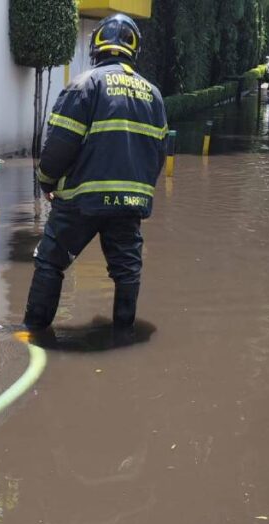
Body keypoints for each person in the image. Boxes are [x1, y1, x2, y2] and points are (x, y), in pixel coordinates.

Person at [23, 13, 168, 331]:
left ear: (96, 46)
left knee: (50, 261)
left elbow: (59, 145)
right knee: (127, 271)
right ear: (134, 49)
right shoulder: (154, 96)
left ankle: (33, 334)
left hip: (81, 201)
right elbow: (158, 156)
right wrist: (136, 194)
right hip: (129, 204)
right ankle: (123, 336)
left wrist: (46, 181)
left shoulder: (85, 85)